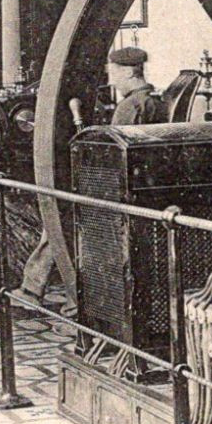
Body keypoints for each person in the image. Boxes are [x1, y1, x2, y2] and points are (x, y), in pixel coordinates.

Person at [18, 46, 167, 312]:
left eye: (115, 73)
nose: (112, 80)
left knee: (61, 220)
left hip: (113, 192)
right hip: (134, 189)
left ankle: (71, 304)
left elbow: (114, 152)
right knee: (60, 218)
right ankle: (36, 290)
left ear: (129, 72)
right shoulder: (154, 102)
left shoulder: (130, 106)